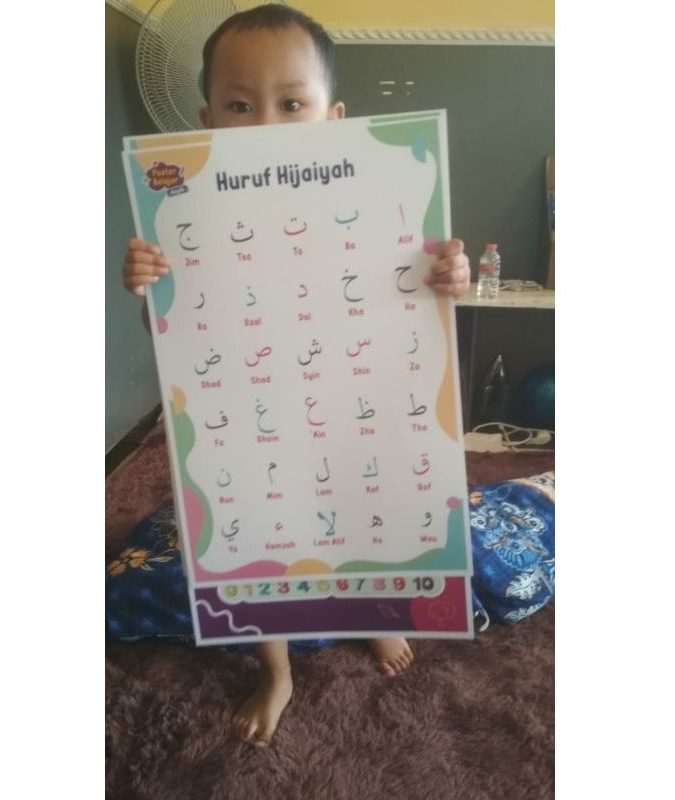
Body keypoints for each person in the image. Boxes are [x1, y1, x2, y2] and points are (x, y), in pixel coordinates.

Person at [120, 4, 471, 747]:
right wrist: (150, 283)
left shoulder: (376, 198)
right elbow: (172, 338)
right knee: (256, 522)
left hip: (350, 398)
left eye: (290, 104)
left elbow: (415, 291)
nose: (265, 126)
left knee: (358, 500)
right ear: (206, 118)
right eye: (239, 106)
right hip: (248, 413)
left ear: (333, 118)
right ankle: (275, 669)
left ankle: (371, 614)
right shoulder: (183, 214)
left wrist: (449, 275)